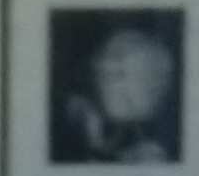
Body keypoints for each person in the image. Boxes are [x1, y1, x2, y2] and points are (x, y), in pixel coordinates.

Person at [57, 19, 181, 165]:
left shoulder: (96, 137)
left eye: (125, 95)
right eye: (117, 54)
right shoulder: (72, 37)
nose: (105, 67)